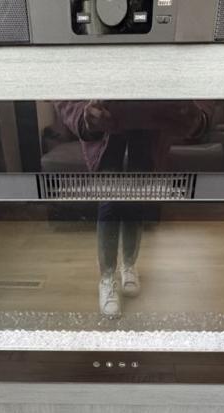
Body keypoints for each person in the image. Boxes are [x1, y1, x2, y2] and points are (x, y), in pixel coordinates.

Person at [54, 100, 213, 316]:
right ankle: (107, 277)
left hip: (149, 131)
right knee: (110, 202)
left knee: (136, 199)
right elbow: (62, 91)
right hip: (106, 129)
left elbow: (206, 90)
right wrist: (83, 117)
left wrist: (198, 116)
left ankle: (128, 264)